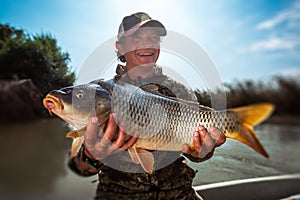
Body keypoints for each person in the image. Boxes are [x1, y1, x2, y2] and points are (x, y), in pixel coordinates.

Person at [69, 12, 226, 200]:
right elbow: (80, 168)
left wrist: (202, 151)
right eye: (137, 38)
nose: (148, 44)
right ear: (120, 48)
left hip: (178, 194)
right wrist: (91, 155)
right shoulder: (97, 93)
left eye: (153, 38)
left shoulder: (178, 90)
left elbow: (198, 155)